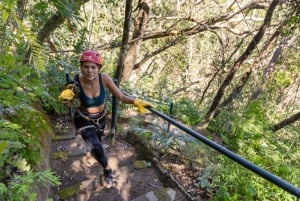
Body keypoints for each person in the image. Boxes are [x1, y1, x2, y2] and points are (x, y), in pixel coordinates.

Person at [58, 50, 152, 185]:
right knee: (96, 146)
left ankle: (96, 153)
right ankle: (107, 170)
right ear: (81, 67)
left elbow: (121, 96)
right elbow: (69, 104)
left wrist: (136, 101)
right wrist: (66, 100)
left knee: (97, 144)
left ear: (98, 68)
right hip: (83, 119)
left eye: (93, 67)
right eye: (86, 67)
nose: (89, 70)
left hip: (100, 119)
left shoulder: (105, 79)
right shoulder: (75, 83)